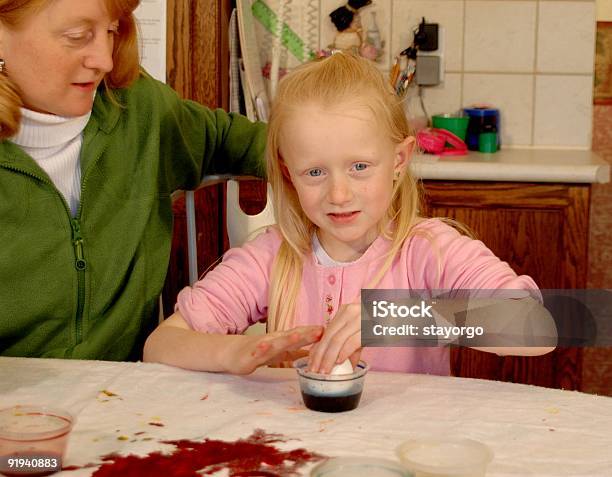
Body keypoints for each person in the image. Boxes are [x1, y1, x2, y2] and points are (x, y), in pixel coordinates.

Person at [144, 53, 555, 375]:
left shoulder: (427, 250)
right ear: (289, 173)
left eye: (359, 166)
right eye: (315, 172)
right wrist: (234, 351)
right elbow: (160, 346)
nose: (338, 194)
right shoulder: (273, 256)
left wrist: (398, 319)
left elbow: (538, 327)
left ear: (398, 160)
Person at [0, 0, 269, 360]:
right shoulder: (256, 268)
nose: (105, 61)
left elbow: (244, 140)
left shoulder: (139, 108)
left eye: (111, 31)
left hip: (121, 400)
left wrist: (354, 152)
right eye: (77, 36)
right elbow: (172, 343)